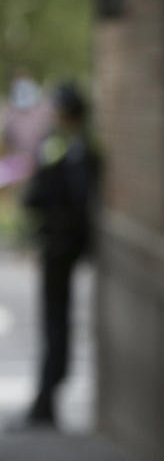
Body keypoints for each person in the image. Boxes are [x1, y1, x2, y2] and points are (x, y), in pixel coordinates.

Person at [20, 82, 99, 427]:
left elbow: (36, 195)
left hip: (58, 247)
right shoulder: (83, 148)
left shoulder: (60, 147)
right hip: (65, 246)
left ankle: (46, 401)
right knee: (57, 321)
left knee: (54, 322)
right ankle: (47, 396)